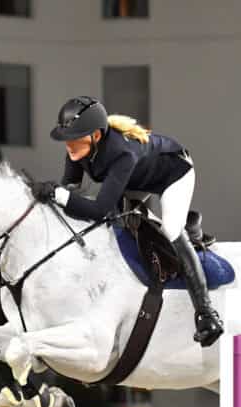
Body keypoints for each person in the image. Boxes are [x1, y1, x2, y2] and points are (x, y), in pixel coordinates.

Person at [31, 95, 223, 347]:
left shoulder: (122, 154)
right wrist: (53, 196)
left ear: (96, 136)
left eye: (75, 138)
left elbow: (98, 208)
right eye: (67, 139)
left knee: (171, 229)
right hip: (136, 180)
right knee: (120, 223)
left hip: (174, 172)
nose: (69, 145)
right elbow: (72, 195)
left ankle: (206, 313)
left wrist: (57, 193)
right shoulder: (77, 151)